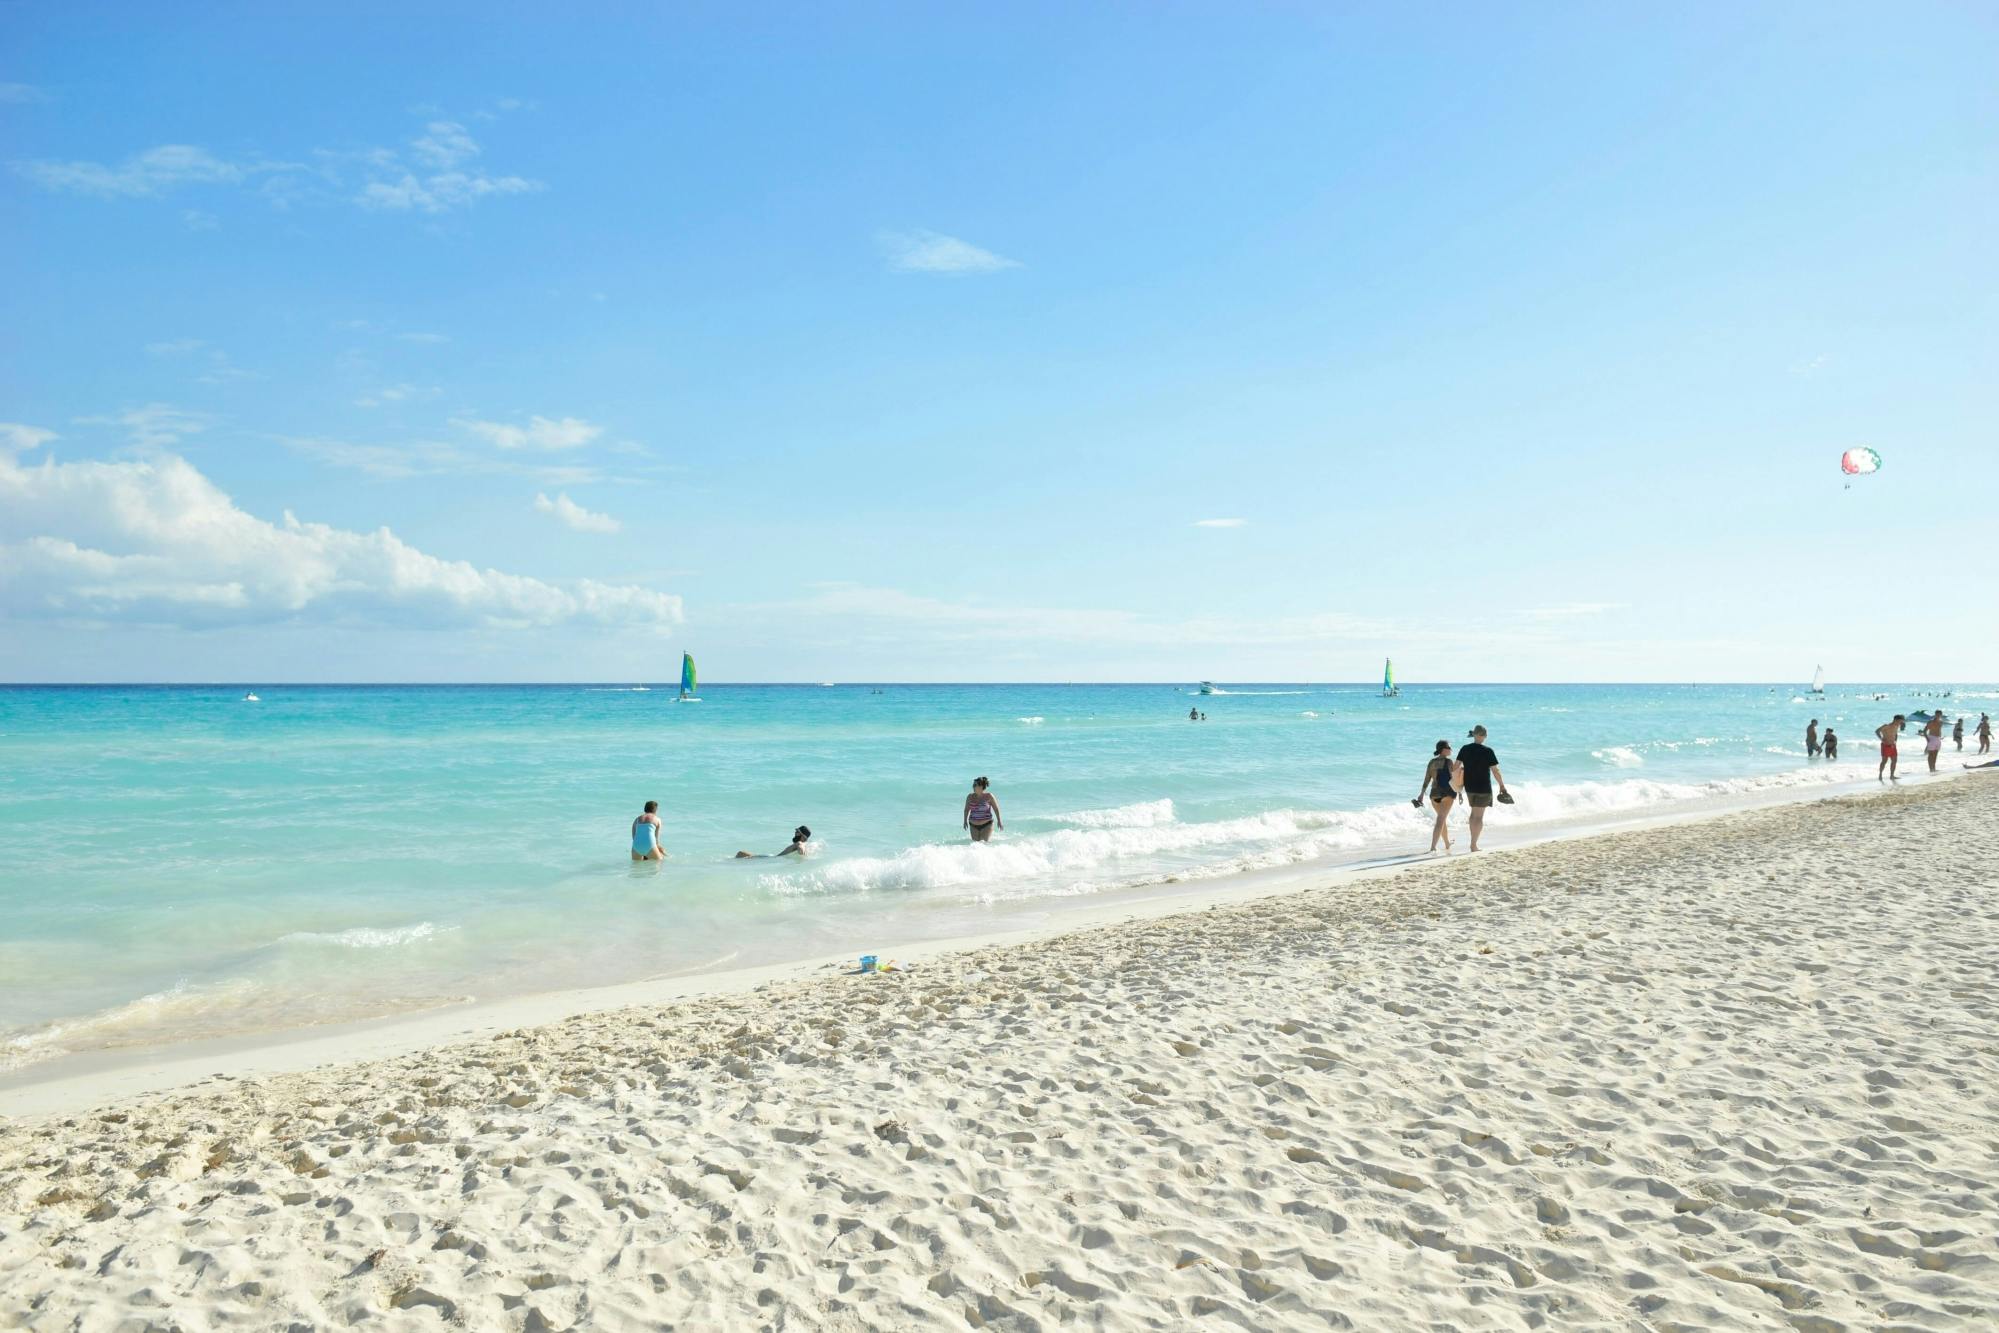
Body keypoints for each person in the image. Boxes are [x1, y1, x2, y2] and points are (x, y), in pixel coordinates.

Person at [1456, 725, 1511, 852]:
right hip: (1483, 787)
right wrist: (1502, 785)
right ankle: (1473, 845)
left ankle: (1472, 842)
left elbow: (1456, 766)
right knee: (1478, 817)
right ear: (1484, 736)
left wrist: (1458, 781)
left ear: (1474, 735)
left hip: (1469, 787)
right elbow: (1495, 770)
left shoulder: (1465, 749)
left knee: (1473, 814)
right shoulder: (1488, 751)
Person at [1410, 739, 1460, 853]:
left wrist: (1422, 793)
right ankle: (1433, 847)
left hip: (1434, 795)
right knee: (1441, 818)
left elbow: (1427, 779)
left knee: (1441, 819)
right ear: (1443, 750)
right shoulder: (1448, 762)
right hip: (1447, 793)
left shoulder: (1431, 762)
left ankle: (1447, 843)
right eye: (1449, 748)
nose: (1450, 749)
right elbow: (1454, 777)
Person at [963, 776, 1002, 842]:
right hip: (973, 825)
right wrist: (965, 821)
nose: (973, 787)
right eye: (973, 785)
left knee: (984, 844)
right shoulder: (970, 797)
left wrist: (999, 821)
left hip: (987, 824)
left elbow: (996, 809)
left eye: (975, 785)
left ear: (981, 787)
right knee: (975, 845)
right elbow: (966, 810)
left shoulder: (989, 796)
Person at [736, 826, 811, 858]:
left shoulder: (800, 843)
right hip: (772, 858)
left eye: (797, 831)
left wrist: (801, 853)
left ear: (803, 836)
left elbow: (800, 846)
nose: (795, 833)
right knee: (741, 855)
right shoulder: (805, 845)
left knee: (740, 853)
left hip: (771, 859)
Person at [1876, 715, 1904, 780]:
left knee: (1894, 761)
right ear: (1896, 720)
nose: (1900, 723)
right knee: (1884, 761)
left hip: (1893, 746)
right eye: (1900, 721)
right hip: (1885, 746)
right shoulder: (1886, 726)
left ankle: (1892, 776)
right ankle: (1880, 775)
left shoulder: (1897, 726)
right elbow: (1877, 731)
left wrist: (1895, 741)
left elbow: (1895, 734)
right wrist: (1881, 739)